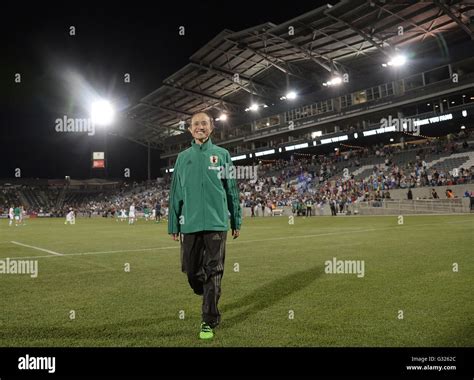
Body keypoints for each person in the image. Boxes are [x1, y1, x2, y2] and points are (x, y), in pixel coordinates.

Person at [168, 111, 241, 340]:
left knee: (214, 271)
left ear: (211, 128)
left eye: (204, 123)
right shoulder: (182, 158)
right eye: (196, 124)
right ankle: (202, 288)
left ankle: (209, 320)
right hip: (189, 223)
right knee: (191, 271)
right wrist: (174, 224)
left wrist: (235, 219)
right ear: (190, 129)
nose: (200, 127)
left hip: (217, 223)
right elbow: (175, 193)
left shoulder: (223, 155)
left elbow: (231, 189)